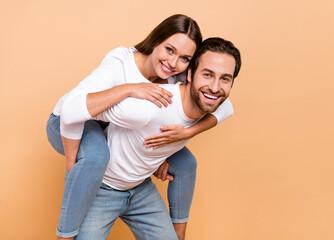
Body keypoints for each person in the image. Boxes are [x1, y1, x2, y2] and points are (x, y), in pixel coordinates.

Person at [46, 15, 233, 240]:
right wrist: (129, 88)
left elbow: (224, 104)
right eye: (169, 50)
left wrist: (186, 133)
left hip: (110, 127)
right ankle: (64, 235)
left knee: (185, 162)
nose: (174, 63)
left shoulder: (178, 75)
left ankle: (178, 233)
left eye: (184, 58)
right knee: (96, 156)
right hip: (69, 120)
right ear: (156, 40)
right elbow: (71, 110)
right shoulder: (121, 62)